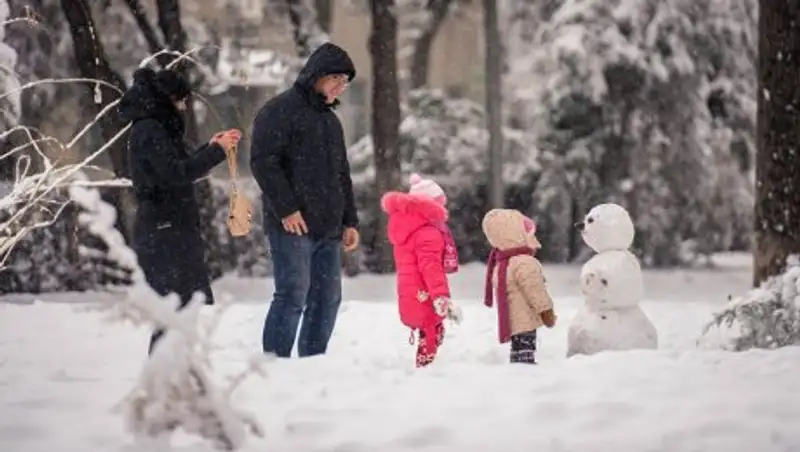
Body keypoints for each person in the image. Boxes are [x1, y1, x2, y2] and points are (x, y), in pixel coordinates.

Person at [119, 67, 241, 355]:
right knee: (173, 312)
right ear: (169, 99)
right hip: (165, 233)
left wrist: (211, 147)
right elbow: (177, 173)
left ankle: (173, 378)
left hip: (170, 229)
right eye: (182, 101)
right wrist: (216, 152)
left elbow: (178, 167)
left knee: (180, 313)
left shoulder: (154, 128)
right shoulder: (150, 129)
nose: (185, 108)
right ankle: (163, 381)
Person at [250, 42, 360, 358]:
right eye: (336, 78)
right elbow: (263, 162)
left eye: (345, 82)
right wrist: (286, 208)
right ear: (316, 75)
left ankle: (313, 361)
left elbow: (342, 174)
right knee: (293, 294)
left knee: (328, 297)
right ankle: (274, 361)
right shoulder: (278, 111)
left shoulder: (330, 121)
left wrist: (349, 220)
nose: (341, 87)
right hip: (292, 224)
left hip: (328, 226)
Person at [380, 174, 463, 367]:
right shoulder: (428, 233)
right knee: (430, 331)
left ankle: (426, 364)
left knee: (430, 328)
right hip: (425, 292)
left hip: (411, 291)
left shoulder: (407, 227)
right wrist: (440, 295)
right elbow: (431, 268)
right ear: (432, 207)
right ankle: (425, 371)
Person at [481, 209, 557, 364]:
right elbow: (535, 290)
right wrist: (546, 311)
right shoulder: (524, 262)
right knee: (526, 351)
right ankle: (524, 375)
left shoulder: (501, 263)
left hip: (512, 320)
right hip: (526, 319)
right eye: (528, 234)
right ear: (517, 236)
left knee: (518, 349)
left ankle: (518, 369)